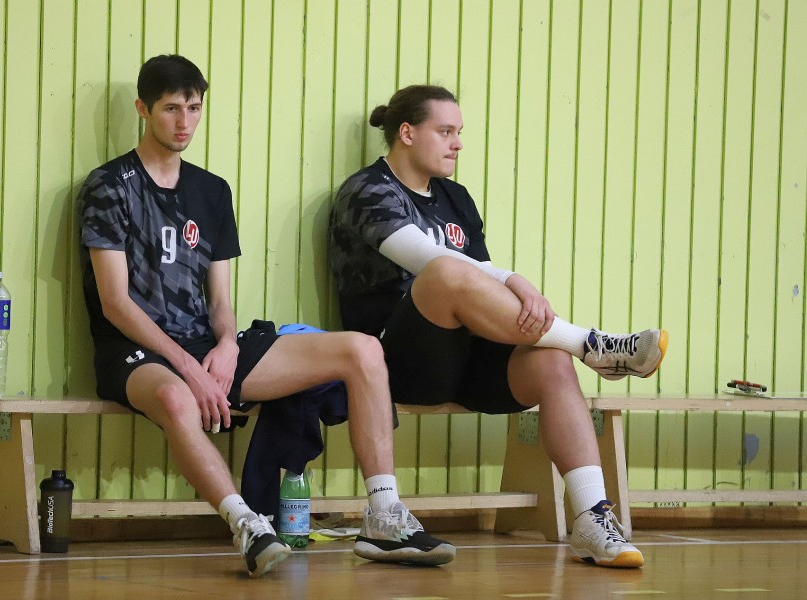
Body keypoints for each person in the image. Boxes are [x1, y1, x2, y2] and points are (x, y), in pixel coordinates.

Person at [76, 56, 455, 578]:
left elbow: (219, 301)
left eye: (193, 108)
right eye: (170, 109)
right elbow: (116, 303)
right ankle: (248, 526)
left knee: (362, 348)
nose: (184, 122)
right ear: (143, 109)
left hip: (205, 346)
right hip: (135, 351)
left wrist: (227, 345)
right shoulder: (109, 185)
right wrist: (188, 368)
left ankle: (385, 517)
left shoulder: (211, 190)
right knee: (175, 397)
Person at [328, 84, 670, 569]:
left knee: (551, 361)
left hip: (466, 360)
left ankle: (592, 519)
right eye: (446, 131)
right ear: (406, 133)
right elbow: (429, 260)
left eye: (459, 132)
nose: (458, 144)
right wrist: (512, 278)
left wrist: (512, 283)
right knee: (443, 274)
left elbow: (482, 279)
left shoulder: (455, 197)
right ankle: (590, 343)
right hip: (397, 363)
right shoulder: (366, 190)